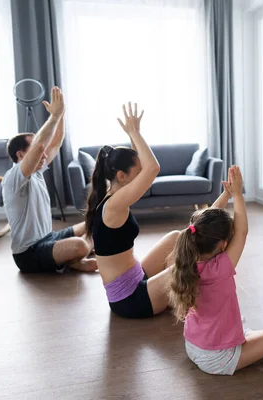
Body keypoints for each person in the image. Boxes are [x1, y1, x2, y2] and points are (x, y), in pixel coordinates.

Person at [168, 166, 263, 376]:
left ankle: (243, 341)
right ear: (223, 245)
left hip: (192, 346)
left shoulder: (186, 256)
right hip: (217, 358)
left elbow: (203, 222)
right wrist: (238, 194)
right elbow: (242, 232)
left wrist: (227, 194)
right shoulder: (219, 268)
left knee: (244, 327)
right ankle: (243, 347)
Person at [85, 102, 181, 319]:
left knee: (177, 237)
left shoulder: (114, 196)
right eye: (138, 172)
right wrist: (134, 132)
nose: (143, 175)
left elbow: (142, 165)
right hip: (130, 299)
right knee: (189, 267)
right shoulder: (115, 204)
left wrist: (133, 137)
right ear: (121, 175)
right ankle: (182, 298)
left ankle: (174, 293)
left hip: (136, 277)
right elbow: (153, 168)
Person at [3, 87, 96, 274]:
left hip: (49, 237)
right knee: (81, 246)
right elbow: (40, 146)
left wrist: (61, 114)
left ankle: (68, 259)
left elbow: (55, 142)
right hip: (28, 253)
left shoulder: (36, 171)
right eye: (37, 150)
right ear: (21, 155)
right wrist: (53, 117)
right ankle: (74, 257)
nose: (44, 154)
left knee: (94, 224)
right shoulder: (14, 177)